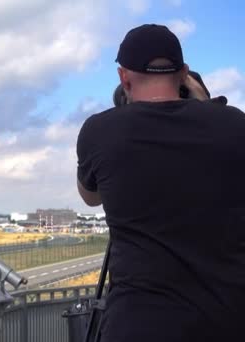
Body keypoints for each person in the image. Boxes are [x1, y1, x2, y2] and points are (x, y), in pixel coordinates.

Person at [76, 24, 245, 342]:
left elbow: (90, 196)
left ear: (123, 77)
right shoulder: (235, 125)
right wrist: (204, 104)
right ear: (183, 75)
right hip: (227, 323)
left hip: (137, 326)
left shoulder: (100, 131)